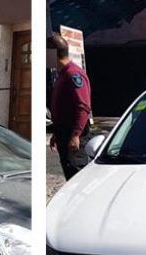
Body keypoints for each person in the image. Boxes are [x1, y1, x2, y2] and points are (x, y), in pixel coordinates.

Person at [48, 32, 92, 180]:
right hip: (63, 133)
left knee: (77, 176)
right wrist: (56, 132)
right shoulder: (62, 74)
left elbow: (83, 106)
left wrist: (75, 135)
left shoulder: (73, 74)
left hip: (73, 136)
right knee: (69, 172)